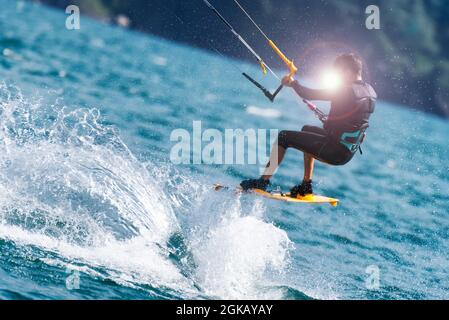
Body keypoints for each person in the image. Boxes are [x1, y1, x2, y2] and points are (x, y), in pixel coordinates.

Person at [240, 53, 377, 197]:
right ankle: (306, 185)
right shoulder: (370, 92)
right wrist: (331, 121)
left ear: (347, 71)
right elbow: (353, 120)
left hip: (334, 150)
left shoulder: (346, 90)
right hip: (346, 150)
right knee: (306, 129)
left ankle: (263, 182)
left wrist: (293, 83)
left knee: (283, 137)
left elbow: (308, 94)